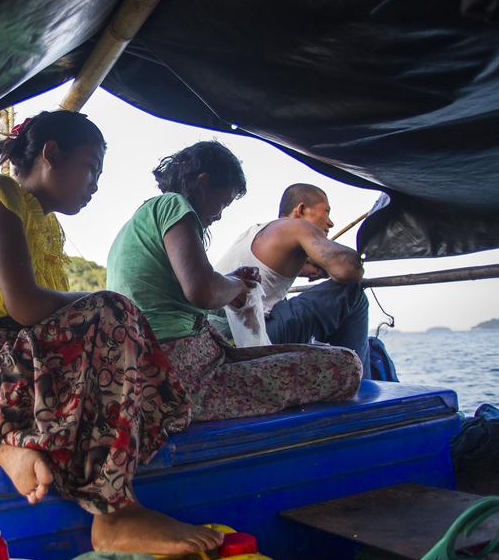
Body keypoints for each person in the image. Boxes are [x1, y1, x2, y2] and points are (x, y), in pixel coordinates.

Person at [0, 111, 223, 556]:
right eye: (91, 167)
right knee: (114, 310)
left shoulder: (50, 228)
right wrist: (104, 300)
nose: (95, 183)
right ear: (52, 154)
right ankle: (114, 515)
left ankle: (5, 443)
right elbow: (25, 305)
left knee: (128, 350)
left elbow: (55, 335)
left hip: (5, 367)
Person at [106, 142, 361, 421]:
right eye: (223, 202)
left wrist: (230, 282)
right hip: (176, 377)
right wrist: (238, 286)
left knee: (309, 354)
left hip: (149, 366)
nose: (218, 215)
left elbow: (201, 283)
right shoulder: (173, 205)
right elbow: (202, 291)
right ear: (203, 183)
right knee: (345, 364)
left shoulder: (142, 218)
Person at [214, 183, 371, 377]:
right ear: (301, 209)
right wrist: (350, 258)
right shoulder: (297, 226)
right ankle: (359, 380)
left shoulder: (257, 233)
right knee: (352, 291)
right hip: (248, 339)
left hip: (220, 338)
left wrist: (310, 265)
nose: (330, 223)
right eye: (326, 212)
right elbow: (347, 270)